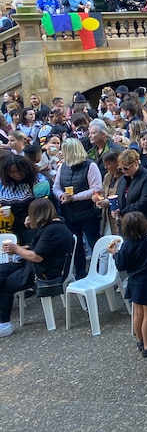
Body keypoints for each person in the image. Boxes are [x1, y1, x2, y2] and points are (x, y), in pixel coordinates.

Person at [0, 198, 74, 338]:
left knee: (6, 284)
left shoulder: (52, 230)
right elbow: (38, 247)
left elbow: (37, 256)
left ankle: (4, 324)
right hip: (40, 264)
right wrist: (20, 248)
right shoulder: (53, 225)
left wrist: (16, 249)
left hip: (46, 271)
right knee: (2, 270)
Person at [107, 212, 147, 357]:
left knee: (138, 313)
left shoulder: (127, 245)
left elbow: (121, 265)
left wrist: (114, 253)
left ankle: (141, 339)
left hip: (133, 282)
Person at [52, 139, 101, 279]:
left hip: (88, 212)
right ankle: (81, 273)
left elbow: (96, 189)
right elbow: (56, 187)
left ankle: (98, 271)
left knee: (93, 242)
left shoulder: (90, 166)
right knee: (76, 244)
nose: (61, 153)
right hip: (69, 214)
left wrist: (74, 197)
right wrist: (62, 196)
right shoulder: (63, 166)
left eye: (64, 150)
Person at [114, 149, 147, 235]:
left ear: (136, 163)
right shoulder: (123, 178)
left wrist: (123, 212)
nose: (123, 171)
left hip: (144, 225)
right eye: (120, 169)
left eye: (126, 168)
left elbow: (145, 202)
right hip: (127, 225)